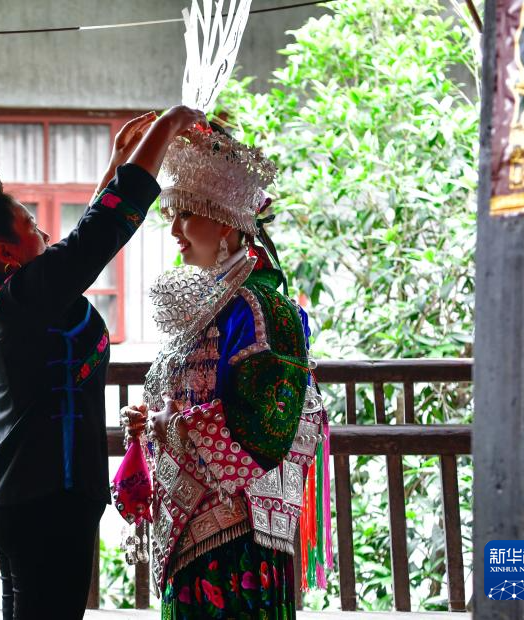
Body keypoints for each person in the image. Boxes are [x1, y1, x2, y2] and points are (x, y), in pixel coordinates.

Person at [0, 105, 208, 620]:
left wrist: (117, 162)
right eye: (30, 225)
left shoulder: (10, 300)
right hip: (48, 498)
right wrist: (170, 123)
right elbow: (99, 231)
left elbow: (81, 242)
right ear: (7, 253)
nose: (45, 232)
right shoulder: (31, 296)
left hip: (16, 495)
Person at [119, 121, 329, 619]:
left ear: (227, 225)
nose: (175, 230)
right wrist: (152, 421)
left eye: (186, 214)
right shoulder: (208, 306)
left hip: (240, 530)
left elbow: (268, 425)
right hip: (193, 522)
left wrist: (173, 425)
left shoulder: (264, 309)